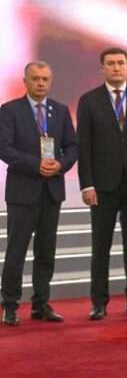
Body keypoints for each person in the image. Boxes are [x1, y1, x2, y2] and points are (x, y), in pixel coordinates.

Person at [0, 61, 78, 326]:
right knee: (16, 251)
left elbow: (72, 146)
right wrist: (36, 165)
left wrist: (61, 164)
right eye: (35, 78)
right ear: (25, 81)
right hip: (23, 192)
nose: (41, 83)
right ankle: (10, 305)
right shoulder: (10, 110)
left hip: (51, 191)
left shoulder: (60, 110)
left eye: (45, 79)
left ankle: (40, 304)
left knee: (46, 252)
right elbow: (4, 148)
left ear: (51, 80)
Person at [77, 47, 127, 320]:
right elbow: (84, 146)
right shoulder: (89, 100)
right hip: (102, 186)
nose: (117, 67)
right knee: (101, 245)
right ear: (102, 68)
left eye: (121, 62)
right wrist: (87, 185)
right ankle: (99, 302)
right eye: (111, 63)